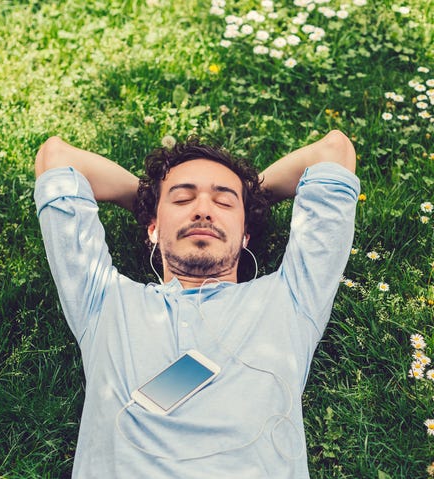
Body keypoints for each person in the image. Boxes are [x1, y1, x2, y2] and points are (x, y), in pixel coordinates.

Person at [34, 129, 359, 478]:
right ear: (153, 229)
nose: (203, 211)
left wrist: (250, 198)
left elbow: (334, 151)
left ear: (246, 233)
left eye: (223, 202)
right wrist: (149, 201)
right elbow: (56, 158)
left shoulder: (292, 298)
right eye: (183, 199)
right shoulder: (103, 301)